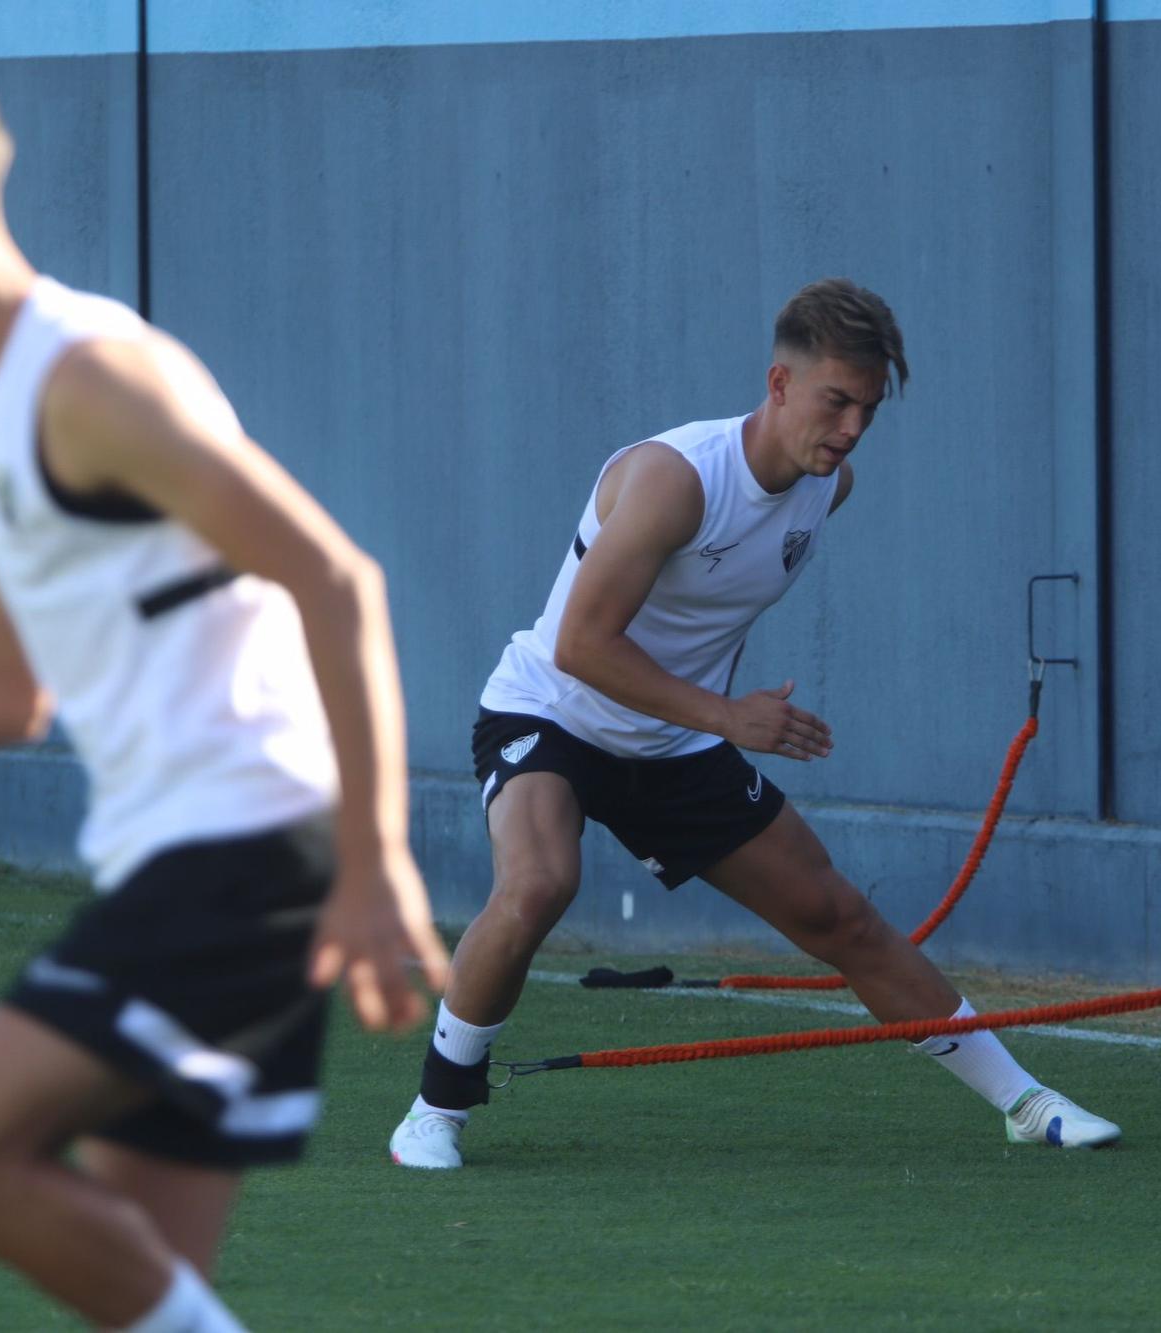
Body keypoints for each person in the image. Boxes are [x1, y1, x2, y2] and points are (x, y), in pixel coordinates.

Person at [0, 59, 450, 1331]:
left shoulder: (89, 381)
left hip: (245, 850)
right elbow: (1, 694)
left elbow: (335, 577)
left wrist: (373, 857)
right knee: (141, 1301)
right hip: (190, 861)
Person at [390, 277, 1118, 1171]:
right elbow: (582, 643)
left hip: (674, 740)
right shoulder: (674, 479)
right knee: (541, 881)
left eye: (868, 408)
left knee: (838, 916)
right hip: (552, 713)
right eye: (835, 401)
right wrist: (732, 715)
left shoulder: (828, 485)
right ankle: (435, 1109)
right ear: (778, 385)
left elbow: (707, 615)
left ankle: (1024, 1101)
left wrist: (714, 720)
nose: (851, 428)